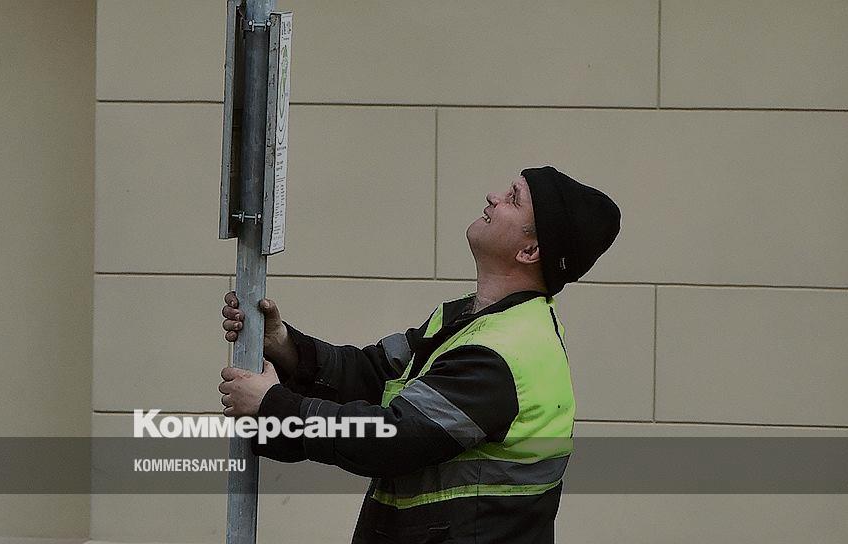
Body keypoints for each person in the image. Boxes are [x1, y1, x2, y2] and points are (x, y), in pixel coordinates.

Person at [218, 166, 621, 543]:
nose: (493, 197)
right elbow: (374, 374)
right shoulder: (466, 320)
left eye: (513, 199)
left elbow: (393, 437)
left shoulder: (503, 353)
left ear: (530, 251)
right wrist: (285, 345)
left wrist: (274, 405)